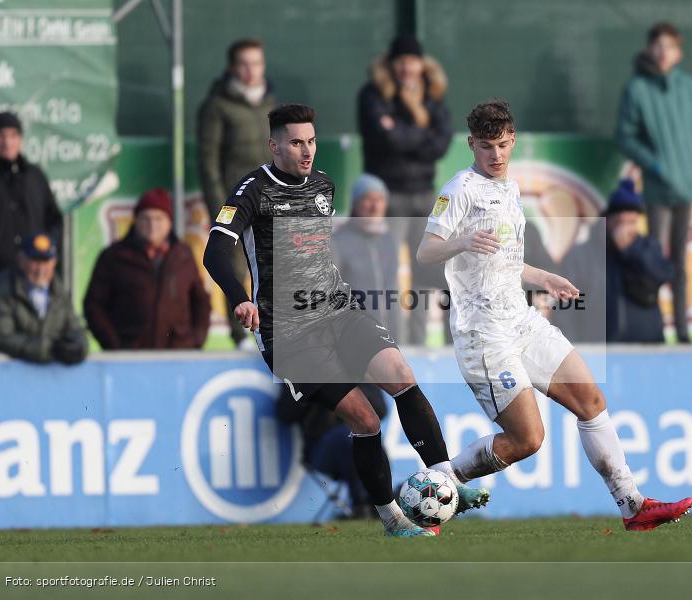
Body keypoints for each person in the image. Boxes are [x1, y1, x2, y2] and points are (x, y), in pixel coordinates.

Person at [202, 103, 489, 538]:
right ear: (274, 144)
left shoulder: (323, 185)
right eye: (296, 142)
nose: (307, 151)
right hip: (289, 332)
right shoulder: (251, 191)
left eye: (312, 141)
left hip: (338, 309)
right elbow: (214, 252)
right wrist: (241, 299)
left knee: (401, 374)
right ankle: (393, 519)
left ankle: (445, 479)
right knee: (365, 419)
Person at [417, 100, 692, 531]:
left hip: (521, 321)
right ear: (471, 144)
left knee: (591, 400)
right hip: (484, 334)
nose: (497, 156)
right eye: (487, 146)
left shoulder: (509, 188)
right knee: (528, 440)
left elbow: (505, 262)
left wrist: (544, 277)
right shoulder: (460, 189)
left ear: (513, 141)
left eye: (504, 145)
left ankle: (632, 505)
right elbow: (427, 249)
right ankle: (439, 487)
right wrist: (463, 239)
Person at [615, 22, 692, 343]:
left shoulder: (690, 87)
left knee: (679, 264)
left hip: (687, 185)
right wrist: (653, 163)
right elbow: (624, 136)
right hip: (657, 188)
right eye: (657, 44)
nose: (662, 51)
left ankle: (682, 331)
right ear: (649, 49)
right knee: (651, 260)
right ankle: (651, 327)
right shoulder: (637, 89)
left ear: (678, 53)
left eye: (669, 45)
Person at [357, 33, 453, 344]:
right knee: (382, 272)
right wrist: (420, 131)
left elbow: (440, 144)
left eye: (411, 60)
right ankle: (384, 340)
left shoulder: (433, 97)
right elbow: (386, 140)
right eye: (400, 61)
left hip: (424, 195)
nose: (406, 67)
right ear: (391, 63)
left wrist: (404, 129)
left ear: (421, 63)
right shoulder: (373, 95)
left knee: (425, 272)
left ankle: (418, 341)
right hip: (387, 196)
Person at [197, 38, 277, 348]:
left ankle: (272, 333)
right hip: (235, 202)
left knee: (272, 268)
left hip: (271, 201)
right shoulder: (217, 106)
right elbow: (208, 163)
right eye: (244, 64)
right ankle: (239, 335)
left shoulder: (271, 104)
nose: (250, 70)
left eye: (256, 63)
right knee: (234, 267)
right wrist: (220, 208)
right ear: (232, 68)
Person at [83, 189, 211, 350]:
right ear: (135, 221)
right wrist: (114, 345)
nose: (152, 225)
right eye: (145, 219)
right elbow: (94, 305)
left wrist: (196, 340)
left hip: (178, 357)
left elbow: (201, 301)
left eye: (158, 219)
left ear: (169, 222)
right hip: (131, 358)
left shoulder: (183, 255)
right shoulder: (114, 257)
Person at [558, 179, 674, 343]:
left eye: (631, 222)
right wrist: (571, 350)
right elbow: (565, 309)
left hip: (646, 350)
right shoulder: (581, 256)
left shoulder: (647, 248)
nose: (625, 229)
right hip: (598, 351)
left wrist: (630, 251)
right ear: (607, 220)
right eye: (620, 222)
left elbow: (661, 275)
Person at [277, 382, 388, 519]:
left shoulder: (354, 369)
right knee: (347, 436)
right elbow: (284, 414)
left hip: (355, 440)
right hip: (320, 448)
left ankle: (380, 501)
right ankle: (366, 504)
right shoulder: (302, 368)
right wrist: (313, 391)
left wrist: (348, 391)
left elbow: (381, 409)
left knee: (366, 438)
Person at [0, 232, 87, 364]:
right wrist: (49, 349)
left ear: (54, 263)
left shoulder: (59, 291)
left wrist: (78, 346)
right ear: (21, 261)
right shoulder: (0, 289)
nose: (41, 269)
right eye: (35, 261)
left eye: (46, 261)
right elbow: (1, 338)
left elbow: (75, 329)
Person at [0, 111, 63, 279]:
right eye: (1, 136)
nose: (7, 142)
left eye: (13, 136)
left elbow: (54, 220)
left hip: (33, 272)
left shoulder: (34, 176)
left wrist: (45, 250)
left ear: (20, 139)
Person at [331, 173, 400, 336]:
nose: (375, 206)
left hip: (390, 336)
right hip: (354, 336)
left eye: (380, 200)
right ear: (355, 204)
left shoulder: (388, 240)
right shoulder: (337, 242)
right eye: (368, 199)